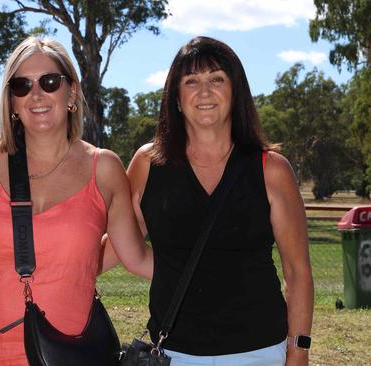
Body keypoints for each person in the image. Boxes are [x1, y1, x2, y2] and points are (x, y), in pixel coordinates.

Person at [0, 36, 153, 365]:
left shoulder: (103, 168)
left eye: (49, 82)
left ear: (71, 92)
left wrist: (214, 272)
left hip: (66, 353)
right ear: (12, 102)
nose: (36, 95)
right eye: (21, 85)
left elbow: (135, 257)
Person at [124, 36, 313, 366]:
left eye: (216, 79)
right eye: (191, 81)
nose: (205, 91)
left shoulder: (272, 170)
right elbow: (121, 245)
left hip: (260, 353)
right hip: (172, 354)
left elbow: (297, 273)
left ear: (235, 91)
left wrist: (298, 353)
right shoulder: (147, 165)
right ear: (177, 99)